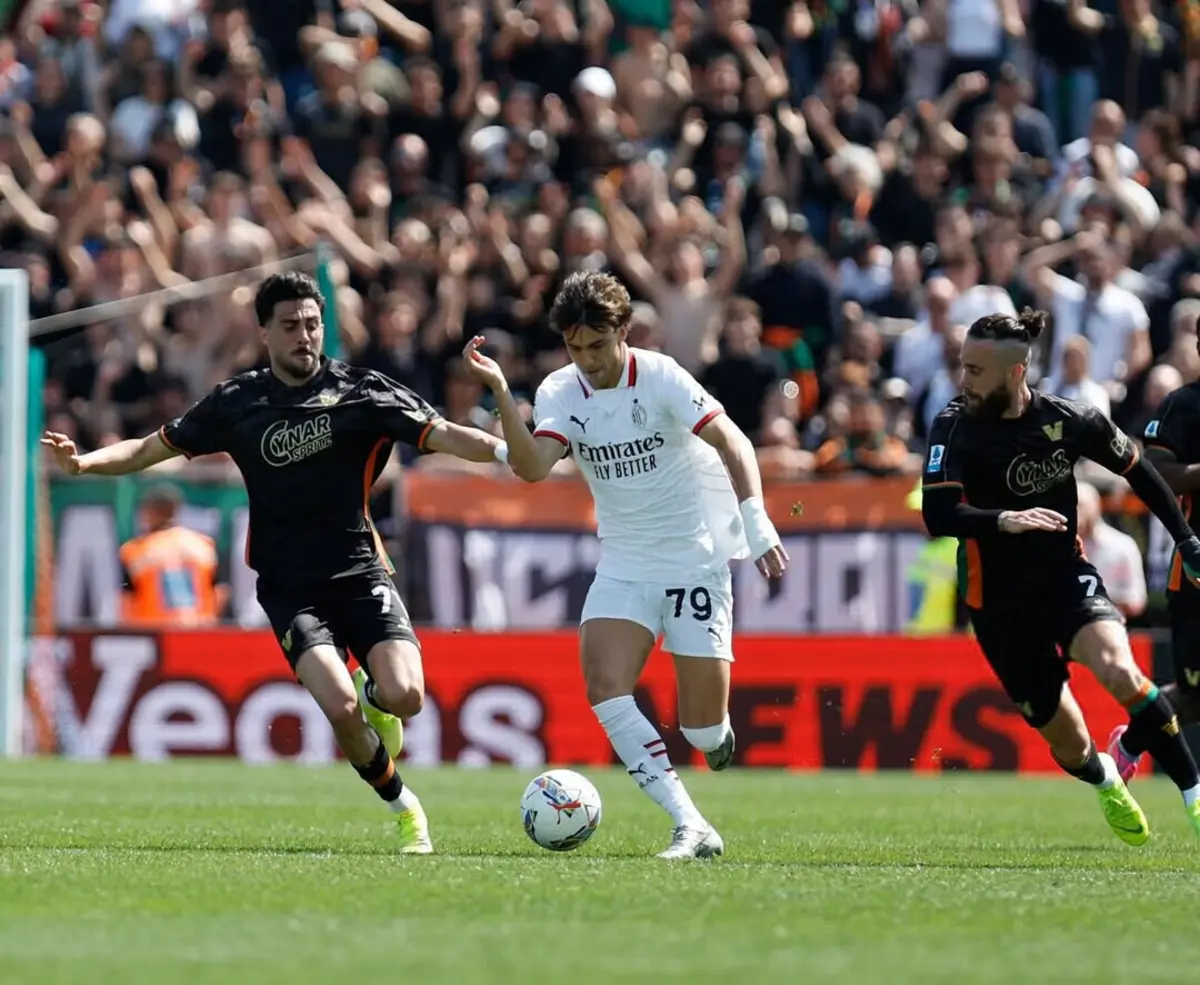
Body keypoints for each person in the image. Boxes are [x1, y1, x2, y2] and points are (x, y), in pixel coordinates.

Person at [42, 271, 507, 854]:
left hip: (361, 571)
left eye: (312, 324)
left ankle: (376, 696)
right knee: (337, 707)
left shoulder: (362, 392)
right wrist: (85, 464)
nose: (304, 336)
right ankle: (403, 807)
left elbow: (444, 434)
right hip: (290, 587)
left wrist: (508, 450)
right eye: (290, 326)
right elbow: (149, 448)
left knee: (407, 697)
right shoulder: (239, 403)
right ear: (265, 332)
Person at [462, 271, 788, 860]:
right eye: (575, 347)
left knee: (703, 731)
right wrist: (505, 396)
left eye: (596, 345)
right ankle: (690, 825)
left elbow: (733, 442)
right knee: (605, 687)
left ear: (623, 333)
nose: (587, 359)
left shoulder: (660, 376)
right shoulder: (561, 390)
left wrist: (757, 522)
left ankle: (715, 736)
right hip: (624, 563)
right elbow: (534, 467)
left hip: (694, 562)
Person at [921, 307, 1200, 846]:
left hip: (1065, 579)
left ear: (1015, 372)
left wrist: (1187, 540)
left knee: (1121, 671)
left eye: (976, 370)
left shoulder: (1071, 419)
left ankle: (1193, 798)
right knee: (1069, 744)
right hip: (997, 604)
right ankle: (1104, 777)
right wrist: (1004, 519)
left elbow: (1139, 470)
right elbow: (938, 517)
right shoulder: (953, 425)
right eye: (964, 366)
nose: (965, 380)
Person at [1109, 373, 1200, 782]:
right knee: (1195, 697)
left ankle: (1128, 744)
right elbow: (1156, 472)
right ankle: (1129, 743)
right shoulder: (1183, 405)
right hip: (1197, 572)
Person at [119, 482, 228, 626]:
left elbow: (126, 600)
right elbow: (221, 593)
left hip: (154, 631)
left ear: (151, 512)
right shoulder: (203, 544)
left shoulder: (135, 550)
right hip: (198, 628)